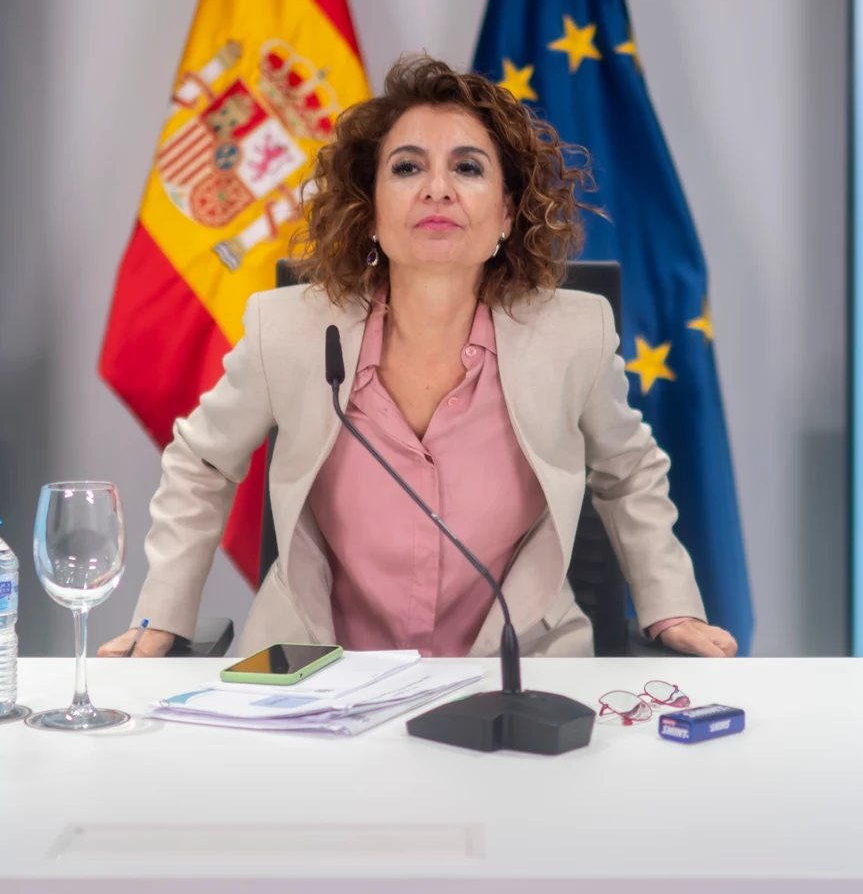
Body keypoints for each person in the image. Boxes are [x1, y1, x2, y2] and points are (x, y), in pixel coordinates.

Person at [101, 54, 738, 659]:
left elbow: (628, 471)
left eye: (468, 168)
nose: (437, 189)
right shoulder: (289, 330)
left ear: (508, 214)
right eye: (407, 168)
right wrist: (161, 614)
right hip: (322, 677)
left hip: (519, 673)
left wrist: (670, 607)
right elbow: (202, 461)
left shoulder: (576, 335)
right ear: (370, 212)